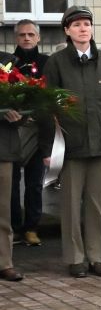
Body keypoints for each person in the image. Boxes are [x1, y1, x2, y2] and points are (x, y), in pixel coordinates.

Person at [41, 6, 101, 278]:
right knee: (69, 205)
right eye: (77, 25)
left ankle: (95, 256)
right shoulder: (56, 63)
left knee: (96, 204)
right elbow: (47, 106)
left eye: (87, 24)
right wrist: (48, 147)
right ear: (67, 30)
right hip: (70, 146)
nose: (83, 29)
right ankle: (75, 258)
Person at [10, 19, 49, 247]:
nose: (26, 38)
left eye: (30, 34)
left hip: (39, 131)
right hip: (13, 131)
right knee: (11, 183)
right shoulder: (7, 63)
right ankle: (15, 227)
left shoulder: (47, 63)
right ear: (17, 37)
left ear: (38, 37)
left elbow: (53, 94)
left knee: (35, 183)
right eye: (22, 34)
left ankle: (32, 227)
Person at [1, 103, 24, 281]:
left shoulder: (8, 74)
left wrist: (19, 115)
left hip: (3, 150)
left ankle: (4, 263)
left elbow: (24, 106)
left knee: (3, 213)